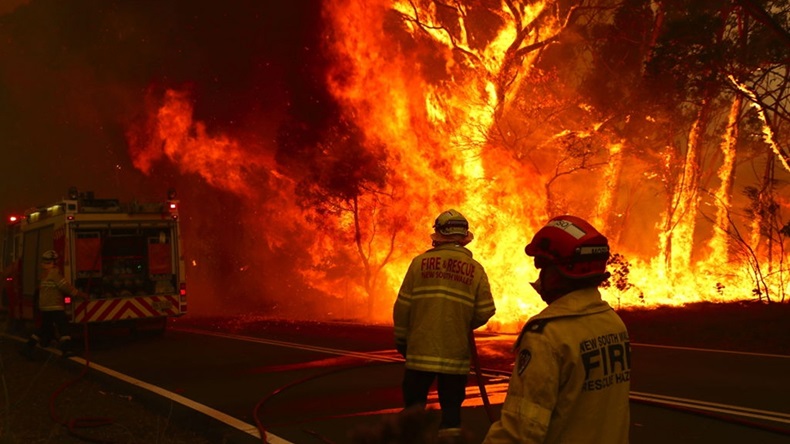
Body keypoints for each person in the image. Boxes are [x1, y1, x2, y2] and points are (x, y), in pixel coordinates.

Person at [483, 215, 631, 443]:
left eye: (544, 266)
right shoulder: (612, 322)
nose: (541, 276)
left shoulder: (547, 335)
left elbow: (521, 431)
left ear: (564, 270)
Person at [393, 209, 496, 440]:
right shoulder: (476, 270)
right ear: (463, 237)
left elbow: (403, 306)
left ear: (438, 234)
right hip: (454, 356)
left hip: (419, 353)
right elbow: (486, 310)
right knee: (451, 415)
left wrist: (401, 339)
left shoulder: (419, 264)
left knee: (413, 412)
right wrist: (462, 322)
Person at [19, 250, 87, 359]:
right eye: (56, 260)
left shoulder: (44, 273)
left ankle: (27, 348)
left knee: (44, 328)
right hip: (54, 306)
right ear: (53, 261)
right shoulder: (54, 273)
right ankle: (67, 349)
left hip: (45, 307)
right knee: (63, 326)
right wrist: (80, 294)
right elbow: (65, 287)